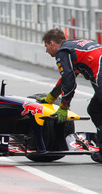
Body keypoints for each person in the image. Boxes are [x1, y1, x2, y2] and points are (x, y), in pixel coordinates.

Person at [40, 28, 102, 163]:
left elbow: (69, 82)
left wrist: (64, 106)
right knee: (95, 109)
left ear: (51, 43)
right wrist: (51, 97)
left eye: (46, 47)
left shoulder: (62, 52)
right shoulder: (73, 46)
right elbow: (67, 78)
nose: (46, 51)